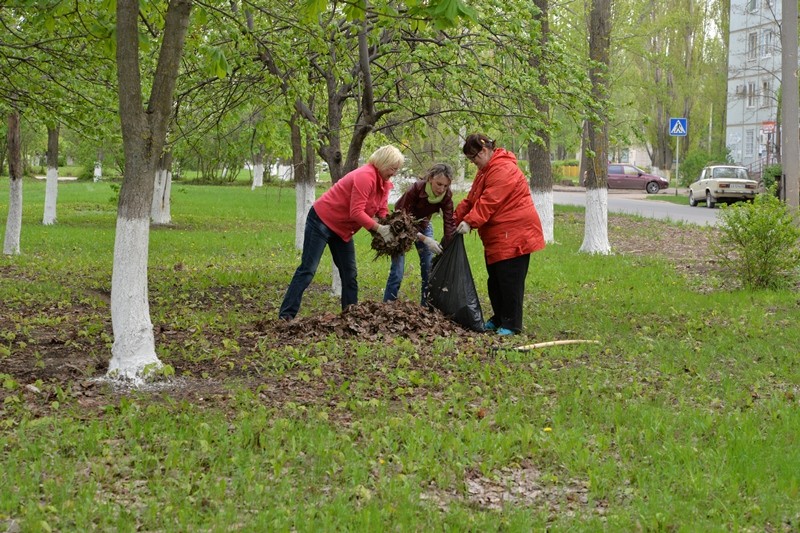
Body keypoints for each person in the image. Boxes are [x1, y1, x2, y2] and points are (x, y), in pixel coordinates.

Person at [278, 145, 405, 320]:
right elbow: (356, 212)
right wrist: (379, 229)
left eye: (397, 169)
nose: (394, 172)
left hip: (343, 230)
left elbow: (382, 210)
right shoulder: (365, 176)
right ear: (383, 163)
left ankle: (350, 318)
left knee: (350, 274)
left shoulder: (384, 183)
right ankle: (286, 316)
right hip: (321, 221)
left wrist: (391, 228)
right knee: (308, 270)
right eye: (392, 168)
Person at [455, 133, 545, 336]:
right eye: (470, 159)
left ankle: (512, 324)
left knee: (509, 281)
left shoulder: (503, 169)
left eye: (474, 158)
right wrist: (454, 220)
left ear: (484, 150)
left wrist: (470, 222)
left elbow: (489, 201)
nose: (473, 163)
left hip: (515, 234)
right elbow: (472, 199)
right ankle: (499, 318)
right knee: (495, 280)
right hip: (499, 235)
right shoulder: (485, 171)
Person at [383, 163, 456, 305]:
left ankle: (426, 307)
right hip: (399, 227)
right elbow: (401, 219)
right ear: (430, 179)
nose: (441, 189)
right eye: (439, 184)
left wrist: (448, 246)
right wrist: (425, 239)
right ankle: (388, 306)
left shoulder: (446, 196)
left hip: (423, 226)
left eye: (445, 186)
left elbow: (449, 224)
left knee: (428, 269)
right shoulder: (415, 189)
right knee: (397, 272)